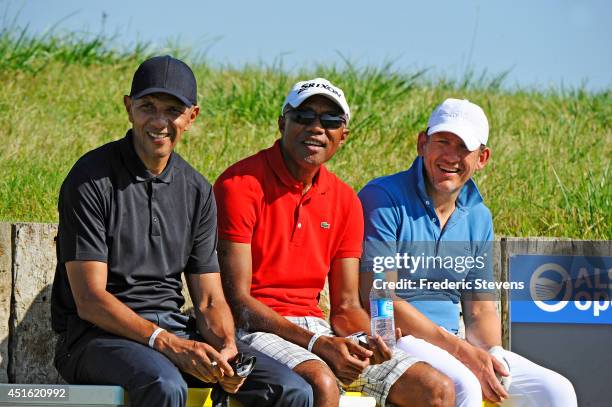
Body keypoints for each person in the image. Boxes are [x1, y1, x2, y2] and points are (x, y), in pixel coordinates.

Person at [50, 55, 313, 407]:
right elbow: (91, 301)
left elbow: (208, 299)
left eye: (173, 110)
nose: (159, 121)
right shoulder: (90, 178)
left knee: (292, 390)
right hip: (94, 337)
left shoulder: (197, 190)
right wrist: (166, 342)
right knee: (165, 384)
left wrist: (226, 346)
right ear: (129, 108)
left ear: (192, 116)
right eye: (148, 106)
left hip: (172, 329)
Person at [214, 78, 456, 407]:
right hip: (254, 328)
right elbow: (238, 301)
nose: (316, 128)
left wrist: (373, 339)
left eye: (330, 121)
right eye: (304, 116)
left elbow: (345, 307)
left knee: (436, 390)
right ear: (282, 122)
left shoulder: (345, 200)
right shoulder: (239, 184)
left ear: (343, 136)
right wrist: (318, 343)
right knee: (323, 383)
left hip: (316, 327)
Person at [358, 98, 578, 407]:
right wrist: (461, 352)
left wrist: (491, 354)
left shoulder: (479, 215)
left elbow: (480, 309)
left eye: (463, 147)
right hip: (396, 339)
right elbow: (380, 299)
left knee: (557, 390)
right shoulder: (382, 198)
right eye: (442, 141)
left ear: (482, 158)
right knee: (463, 387)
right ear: (423, 143)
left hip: (450, 341)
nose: (450, 155)